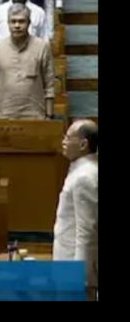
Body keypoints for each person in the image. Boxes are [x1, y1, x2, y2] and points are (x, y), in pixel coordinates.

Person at [0, 4, 55, 119]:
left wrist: (50, 115)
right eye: (13, 22)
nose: (17, 25)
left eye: (21, 21)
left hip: (35, 116)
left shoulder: (42, 47)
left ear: (29, 23)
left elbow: (49, 85)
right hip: (4, 115)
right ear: (8, 23)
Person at [54, 120, 98, 299]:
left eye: (68, 137)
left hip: (72, 267)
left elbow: (86, 232)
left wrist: (79, 276)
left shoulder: (84, 177)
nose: (63, 141)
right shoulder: (83, 170)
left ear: (83, 144)